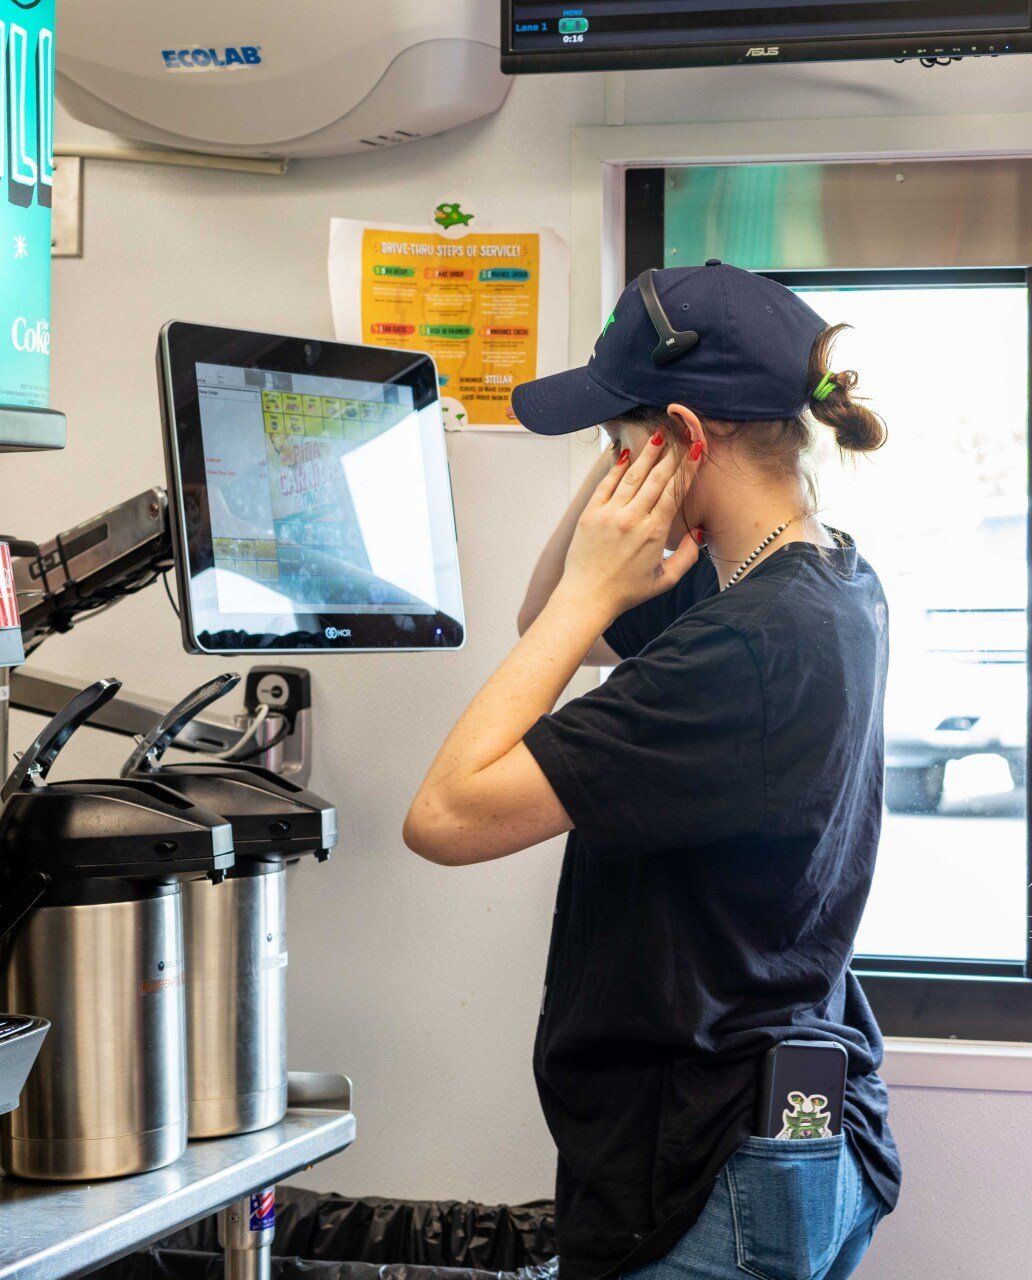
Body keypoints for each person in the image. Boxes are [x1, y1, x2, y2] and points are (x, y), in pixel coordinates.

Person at [403, 261, 898, 1280]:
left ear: (680, 436)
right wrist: (637, 453)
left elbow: (445, 814)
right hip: (798, 1120)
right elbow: (547, 620)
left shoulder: (746, 650)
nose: (610, 458)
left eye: (615, 438)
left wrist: (597, 582)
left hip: (708, 1167)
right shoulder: (823, 577)